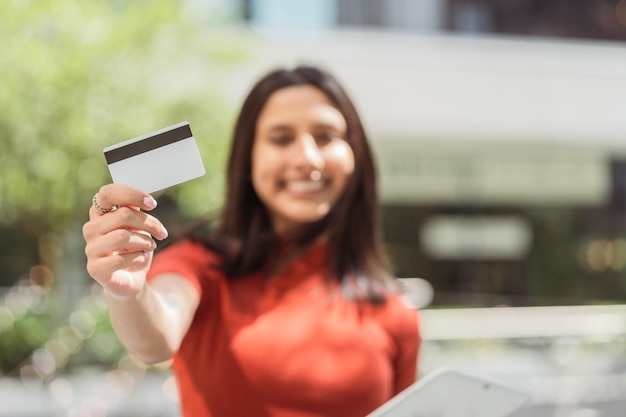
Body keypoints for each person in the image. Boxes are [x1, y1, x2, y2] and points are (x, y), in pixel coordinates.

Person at [83, 65, 420, 417]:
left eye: (326, 136)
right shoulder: (200, 267)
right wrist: (129, 292)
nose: (307, 158)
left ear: (356, 156)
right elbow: (157, 335)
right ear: (248, 159)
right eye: (281, 138)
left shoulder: (396, 313)